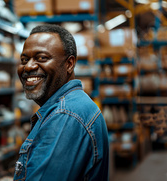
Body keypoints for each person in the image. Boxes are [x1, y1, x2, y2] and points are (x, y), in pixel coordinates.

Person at [14, 24, 109, 181]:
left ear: (69, 64)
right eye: (24, 59)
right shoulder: (73, 105)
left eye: (42, 58)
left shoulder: (65, 116)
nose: (29, 66)